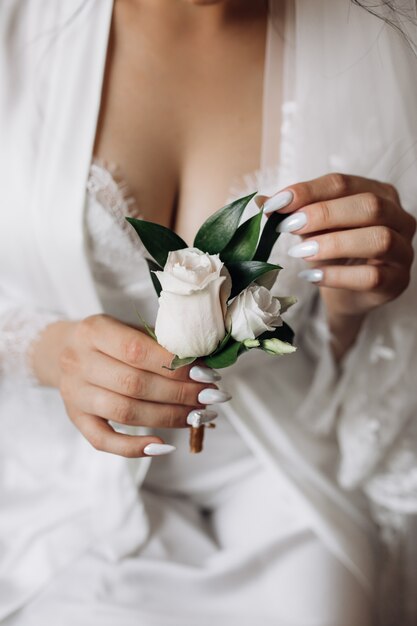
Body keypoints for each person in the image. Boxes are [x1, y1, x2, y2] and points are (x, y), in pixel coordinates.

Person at [1, 0, 416, 624]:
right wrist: (51, 349)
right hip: (57, 484)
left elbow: (366, 373)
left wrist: (354, 307)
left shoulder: (383, 48)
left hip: (285, 474)